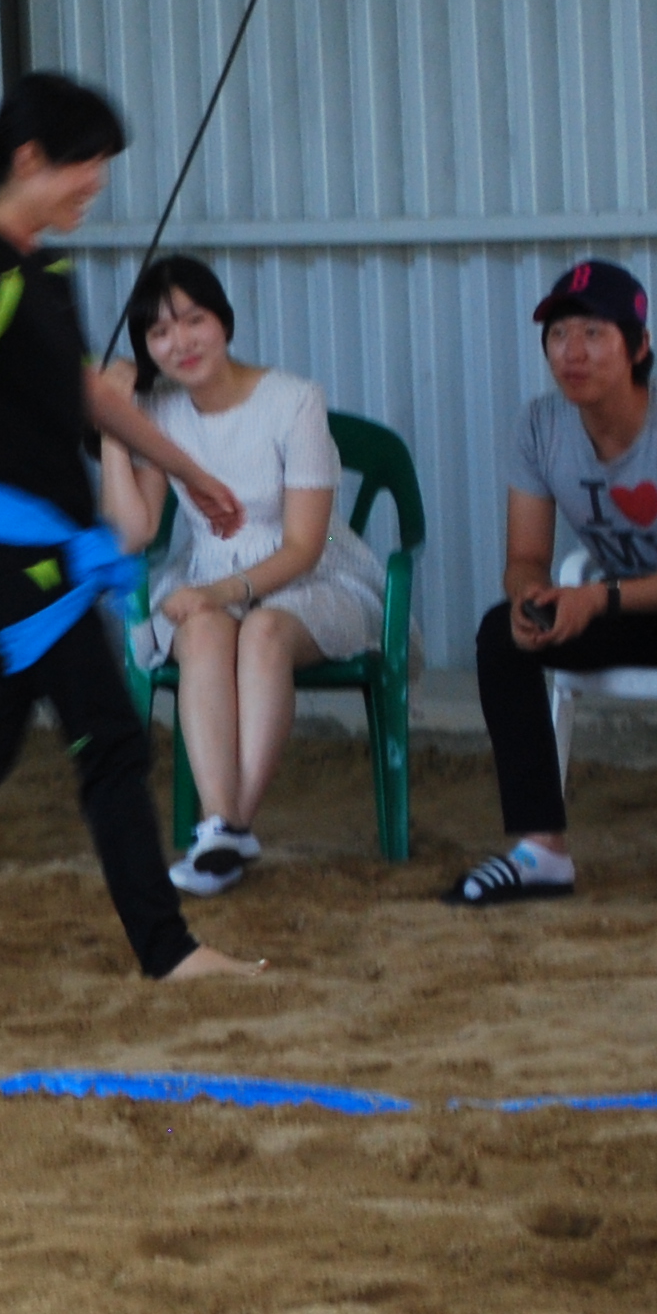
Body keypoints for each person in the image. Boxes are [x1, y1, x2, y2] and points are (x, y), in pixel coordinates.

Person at [0, 74, 259, 983]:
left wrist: (191, 475)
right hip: (11, 556)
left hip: (49, 549)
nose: (95, 184)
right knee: (110, 737)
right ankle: (167, 949)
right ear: (30, 160)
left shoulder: (45, 274)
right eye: (84, 166)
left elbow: (89, 401)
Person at [453, 259, 657, 907]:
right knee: (502, 634)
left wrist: (597, 598)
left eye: (593, 334)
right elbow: (526, 555)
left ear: (638, 347)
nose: (571, 352)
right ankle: (541, 849)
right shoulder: (539, 425)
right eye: (557, 335)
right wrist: (529, 598)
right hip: (634, 602)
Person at [97, 256, 387, 895]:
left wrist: (221, 592)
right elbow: (132, 533)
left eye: (193, 320)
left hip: (314, 578)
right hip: (208, 568)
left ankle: (230, 825)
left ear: (224, 323)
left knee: (263, 632)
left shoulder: (295, 400)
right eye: (159, 332)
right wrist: (115, 427)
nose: (180, 342)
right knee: (201, 633)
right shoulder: (159, 410)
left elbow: (306, 545)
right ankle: (222, 832)